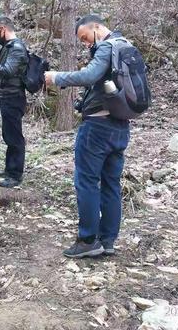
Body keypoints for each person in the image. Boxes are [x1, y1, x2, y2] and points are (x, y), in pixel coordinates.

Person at [44, 14, 131, 259]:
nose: (84, 43)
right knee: (111, 183)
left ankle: (88, 240)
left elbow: (89, 76)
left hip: (97, 127)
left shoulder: (107, 47)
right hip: (120, 126)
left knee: (87, 181)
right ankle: (108, 240)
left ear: (97, 27)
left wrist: (57, 77)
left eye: (85, 37)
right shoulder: (127, 46)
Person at [0, 16, 28, 188]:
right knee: (8, 134)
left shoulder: (16, 48)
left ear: (3, 28)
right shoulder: (9, 47)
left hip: (13, 96)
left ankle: (15, 175)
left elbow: (7, 71)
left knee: (14, 135)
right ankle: (9, 169)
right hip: (8, 96)